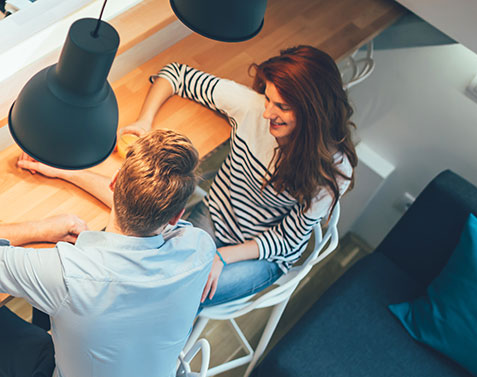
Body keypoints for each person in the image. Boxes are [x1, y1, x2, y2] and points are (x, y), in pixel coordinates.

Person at [19, 45, 356, 307]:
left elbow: (287, 241)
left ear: (313, 112)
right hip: (211, 219)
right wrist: (144, 121)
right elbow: (176, 74)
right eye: (268, 98)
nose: (268, 112)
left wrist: (220, 257)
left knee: (174, 291)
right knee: (140, 225)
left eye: (281, 107)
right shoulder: (253, 108)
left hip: (258, 255)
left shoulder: (334, 170)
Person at [0, 129, 214, 377]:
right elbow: (144, 210)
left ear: (114, 182)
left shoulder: (69, 274)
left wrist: (42, 229)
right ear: (177, 216)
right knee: (56, 299)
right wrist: (63, 171)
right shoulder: (199, 247)